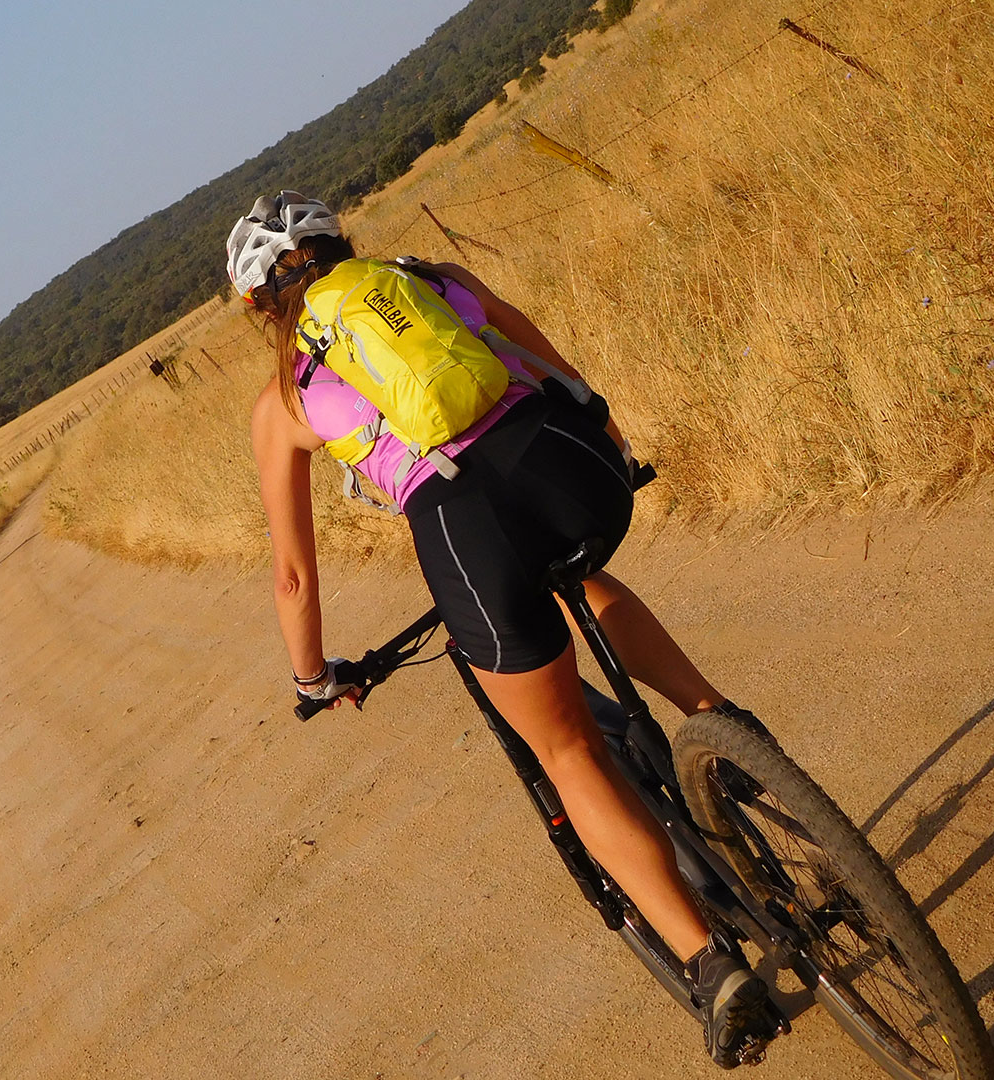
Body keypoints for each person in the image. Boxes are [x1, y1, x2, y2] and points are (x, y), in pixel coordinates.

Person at [227, 191, 783, 1068]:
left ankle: (712, 968)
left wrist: (314, 678)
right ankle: (725, 721)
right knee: (580, 574)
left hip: (463, 521)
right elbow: (556, 369)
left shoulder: (284, 399)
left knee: (565, 750)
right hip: (568, 462)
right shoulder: (435, 281)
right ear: (344, 245)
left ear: (263, 306)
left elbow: (294, 573)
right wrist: (614, 452)